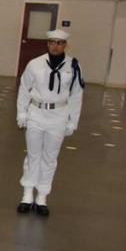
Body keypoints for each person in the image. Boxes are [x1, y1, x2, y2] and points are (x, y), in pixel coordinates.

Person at [16, 29, 83, 216]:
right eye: (52, 42)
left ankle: (42, 196)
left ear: (65, 45)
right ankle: (27, 194)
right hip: (36, 113)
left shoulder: (73, 66)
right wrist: (21, 113)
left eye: (59, 43)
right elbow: (24, 88)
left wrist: (73, 121)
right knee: (33, 155)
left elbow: (77, 95)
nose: (55, 46)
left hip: (58, 115)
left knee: (50, 157)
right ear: (47, 44)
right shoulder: (35, 64)